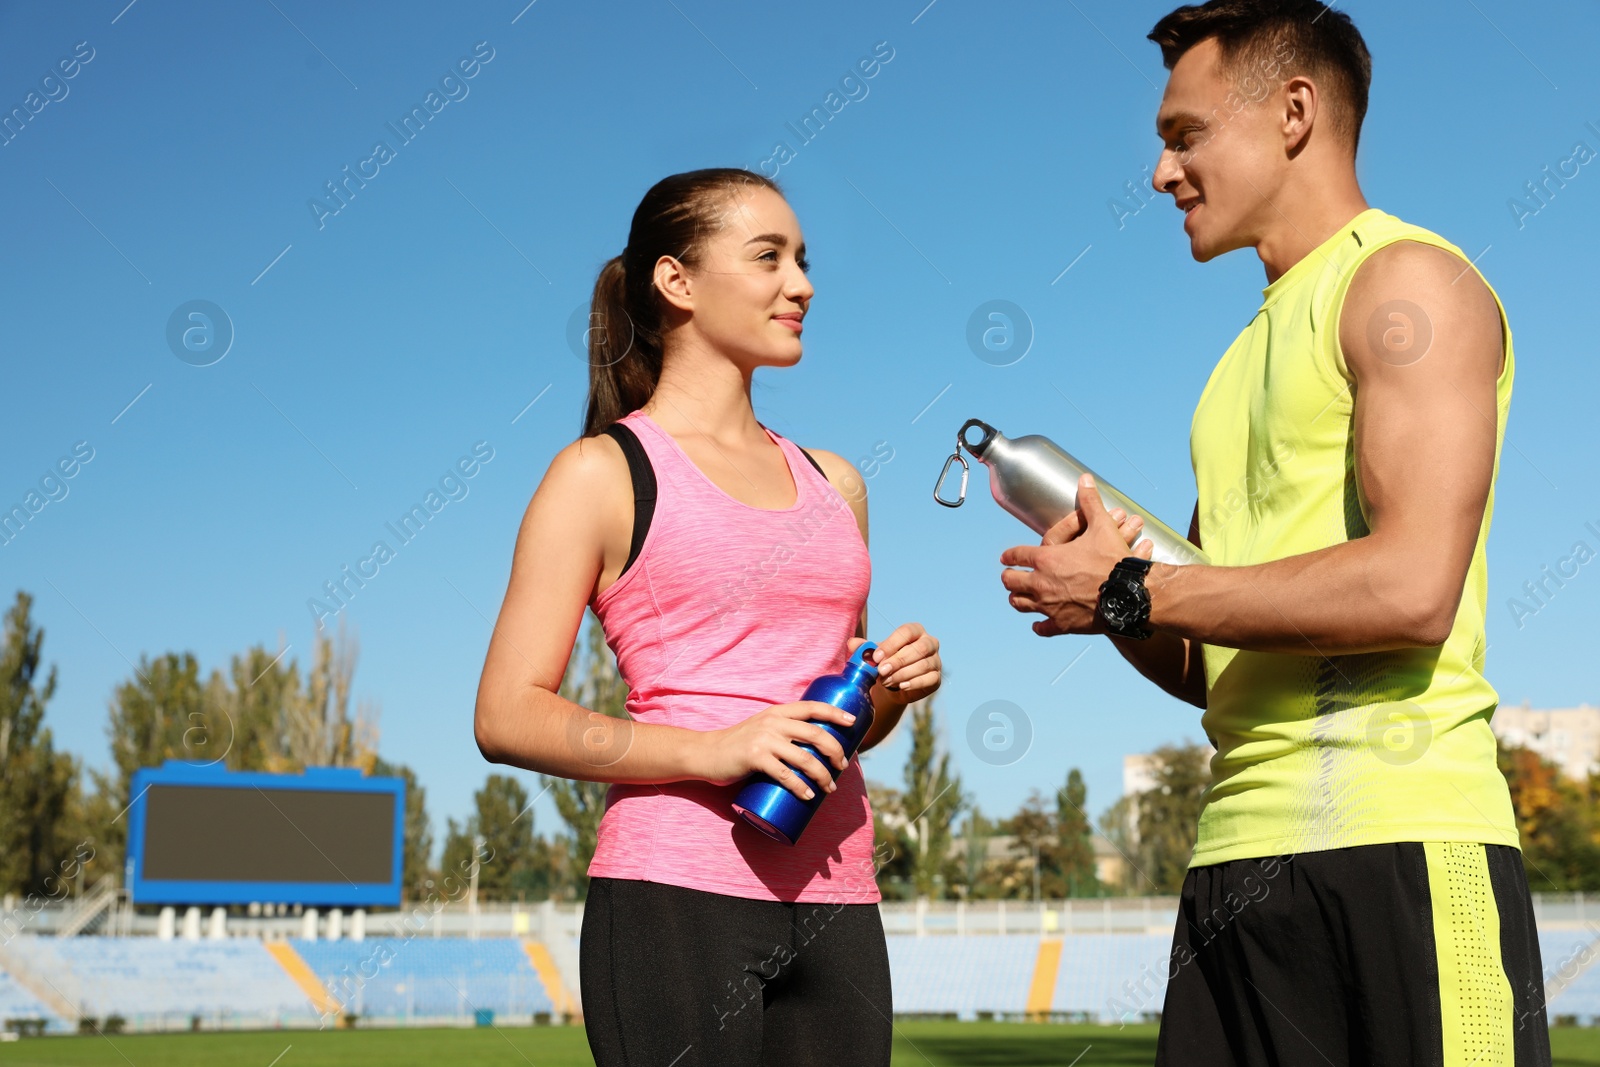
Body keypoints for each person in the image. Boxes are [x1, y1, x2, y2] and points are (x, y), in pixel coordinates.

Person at [997, 2, 1549, 1064]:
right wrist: (1104, 593)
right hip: (1235, 858)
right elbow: (1213, 659)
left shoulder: (1405, 283)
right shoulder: (1225, 375)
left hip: (1400, 839)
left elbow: (1408, 587)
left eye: (1184, 134)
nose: (1161, 173)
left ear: (1293, 112)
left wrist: (1130, 589)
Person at [472, 168, 942, 1067]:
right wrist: (715, 748)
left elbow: (846, 724)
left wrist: (890, 690)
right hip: (673, 894)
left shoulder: (837, 483)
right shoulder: (602, 474)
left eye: (803, 260)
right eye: (768, 256)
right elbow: (506, 713)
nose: (801, 283)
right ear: (675, 281)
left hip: (839, 898)